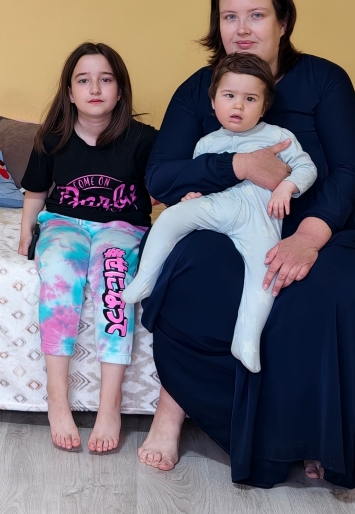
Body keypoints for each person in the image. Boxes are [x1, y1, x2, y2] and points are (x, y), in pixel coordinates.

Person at [133, 0, 355, 487]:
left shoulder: (325, 80)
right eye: (229, 16)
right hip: (230, 224)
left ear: (283, 23)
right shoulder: (200, 89)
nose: (242, 28)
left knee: (333, 292)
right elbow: (161, 175)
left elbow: (354, 167)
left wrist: (310, 236)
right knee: (193, 269)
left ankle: (314, 437)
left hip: (326, 230)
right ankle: (173, 412)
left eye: (256, 15)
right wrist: (237, 166)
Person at [123, 53, 315, 373]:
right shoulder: (207, 143)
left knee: (265, 275)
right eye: (229, 96)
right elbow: (201, 181)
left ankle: (246, 338)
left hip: (260, 220)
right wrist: (192, 197)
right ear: (213, 103)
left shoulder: (278, 137)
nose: (238, 105)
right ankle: (145, 278)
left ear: (264, 106)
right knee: (171, 218)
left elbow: (307, 168)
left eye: (250, 99)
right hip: (218, 208)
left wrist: (287, 187)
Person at [16, 43, 158, 454]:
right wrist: (26, 233)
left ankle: (109, 404)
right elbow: (36, 192)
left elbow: (164, 188)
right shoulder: (52, 138)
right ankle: (57, 398)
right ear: (70, 91)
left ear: (120, 88)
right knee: (60, 272)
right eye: (83, 80)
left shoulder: (145, 139)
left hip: (122, 228)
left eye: (105, 79)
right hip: (64, 223)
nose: (95, 89)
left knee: (114, 281)